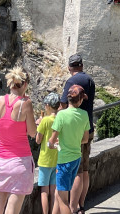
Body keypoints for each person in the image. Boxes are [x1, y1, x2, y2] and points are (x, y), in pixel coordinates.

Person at [0, 66, 37, 214]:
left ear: (10, 83)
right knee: (12, 211)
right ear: (25, 84)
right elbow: (33, 133)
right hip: (20, 164)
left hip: (0, 164)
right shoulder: (25, 104)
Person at [60, 54, 96, 214]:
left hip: (73, 131)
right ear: (81, 65)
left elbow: (63, 104)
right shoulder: (89, 80)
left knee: (77, 171)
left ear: (70, 67)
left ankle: (73, 207)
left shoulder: (71, 82)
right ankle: (81, 204)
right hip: (87, 128)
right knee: (85, 169)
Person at [49, 84, 91, 214]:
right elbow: (85, 139)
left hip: (64, 160)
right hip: (76, 158)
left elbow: (52, 139)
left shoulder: (61, 115)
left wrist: (51, 144)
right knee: (59, 193)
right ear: (80, 100)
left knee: (63, 199)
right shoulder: (84, 115)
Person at [35, 92, 62, 214]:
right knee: (53, 190)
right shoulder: (61, 119)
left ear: (48, 106)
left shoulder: (45, 120)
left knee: (44, 191)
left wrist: (38, 125)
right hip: (57, 159)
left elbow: (38, 140)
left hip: (45, 160)